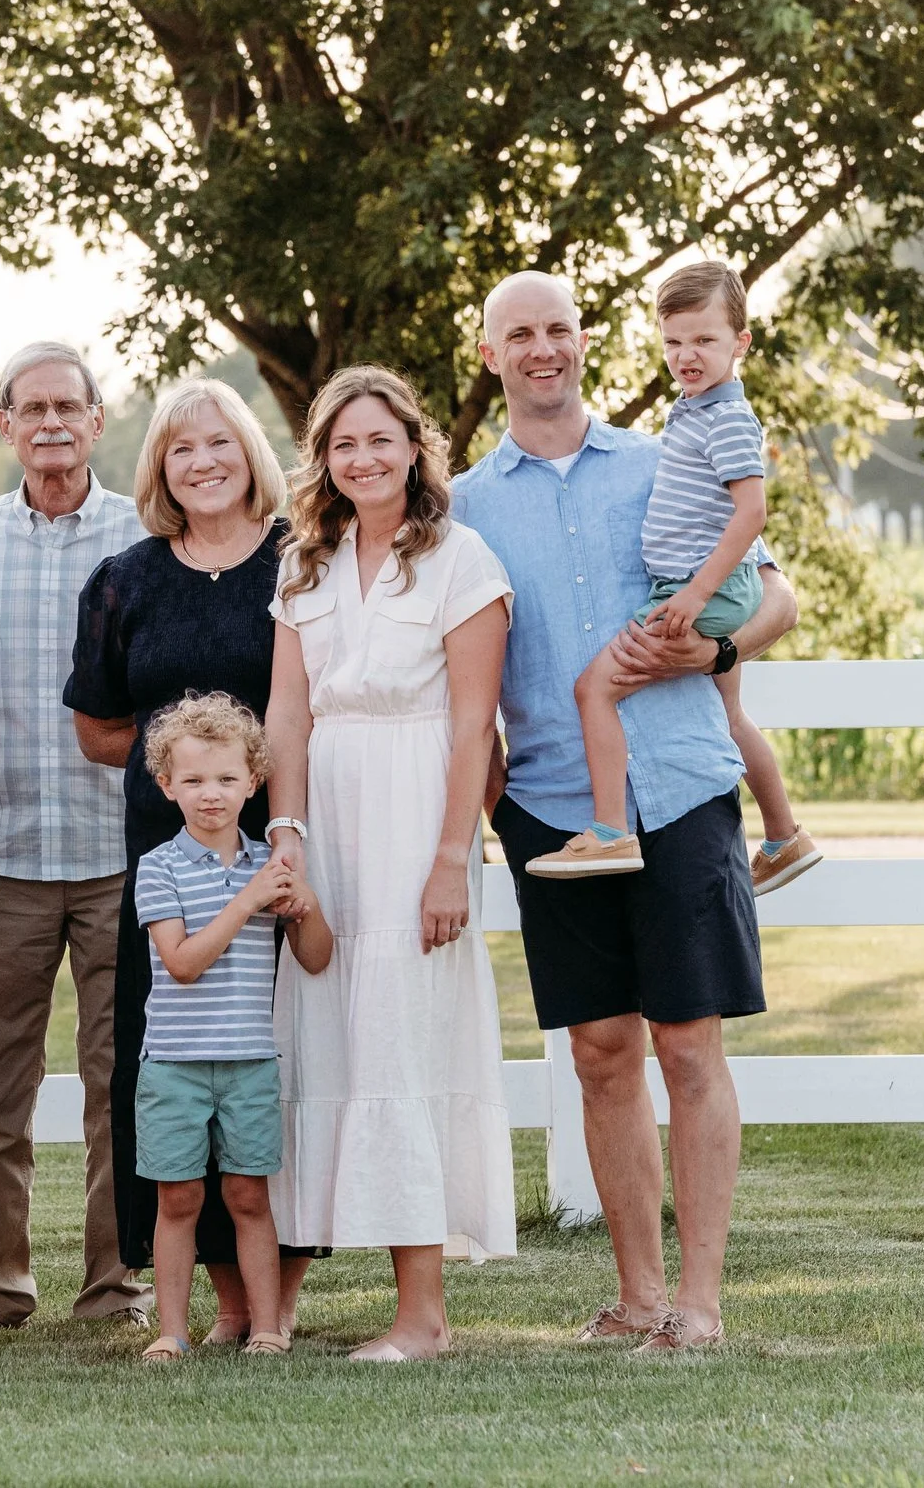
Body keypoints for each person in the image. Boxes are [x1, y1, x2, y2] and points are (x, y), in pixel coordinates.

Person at [454, 270, 801, 1353]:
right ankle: (638, 1296)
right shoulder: (463, 506)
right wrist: (488, 786)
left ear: (583, 339)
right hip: (553, 806)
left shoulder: (669, 458)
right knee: (601, 1051)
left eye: (558, 328)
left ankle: (699, 1303)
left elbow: (777, 594)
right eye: (519, 334)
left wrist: (717, 650)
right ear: (490, 355)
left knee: (688, 1046)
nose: (542, 348)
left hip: (681, 785)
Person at [263, 364, 518, 1362]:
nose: (363, 458)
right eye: (343, 444)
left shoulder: (462, 558)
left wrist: (452, 857)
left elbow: (474, 723)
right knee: (329, 1037)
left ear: (415, 447)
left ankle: (424, 1315)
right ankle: (293, 1300)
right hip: (328, 815)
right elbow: (288, 713)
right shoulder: (305, 566)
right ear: (322, 460)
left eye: (381, 439)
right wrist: (286, 832)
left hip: (420, 812)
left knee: (405, 1039)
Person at [64, 377, 324, 1345]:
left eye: (220, 442)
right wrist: (184, 778)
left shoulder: (306, 562)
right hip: (170, 862)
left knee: (282, 1061)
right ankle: (226, 1302)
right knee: (177, 1062)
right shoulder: (124, 579)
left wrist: (265, 806)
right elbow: (100, 725)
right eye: (181, 447)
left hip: (284, 840)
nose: (203, 461)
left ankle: (279, 1298)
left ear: (250, 453)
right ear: (159, 467)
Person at [0, 341, 149, 1330]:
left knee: (122, 1082)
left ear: (98, 420)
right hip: (6, 855)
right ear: (7, 425)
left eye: (70, 405)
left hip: (122, 852)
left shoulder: (144, 531)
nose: (53, 422)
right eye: (34, 407)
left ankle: (115, 1282)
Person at [528, 261, 819, 892]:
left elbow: (752, 513)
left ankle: (609, 832)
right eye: (674, 342)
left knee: (593, 690)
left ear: (741, 343)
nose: (686, 355)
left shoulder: (727, 418)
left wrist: (695, 593)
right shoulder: (693, 409)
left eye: (704, 340)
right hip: (701, 585)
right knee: (730, 715)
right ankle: (784, 837)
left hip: (697, 590)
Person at [130, 694, 332, 1362]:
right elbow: (183, 964)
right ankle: (171, 1331)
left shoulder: (270, 867)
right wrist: (249, 902)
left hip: (249, 1061)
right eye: (192, 780)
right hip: (174, 1063)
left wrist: (303, 906)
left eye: (225, 778)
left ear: (254, 781)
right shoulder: (159, 867)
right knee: (178, 1197)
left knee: (249, 1194)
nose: (210, 793)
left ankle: (268, 1326)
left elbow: (316, 957)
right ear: (167, 785)